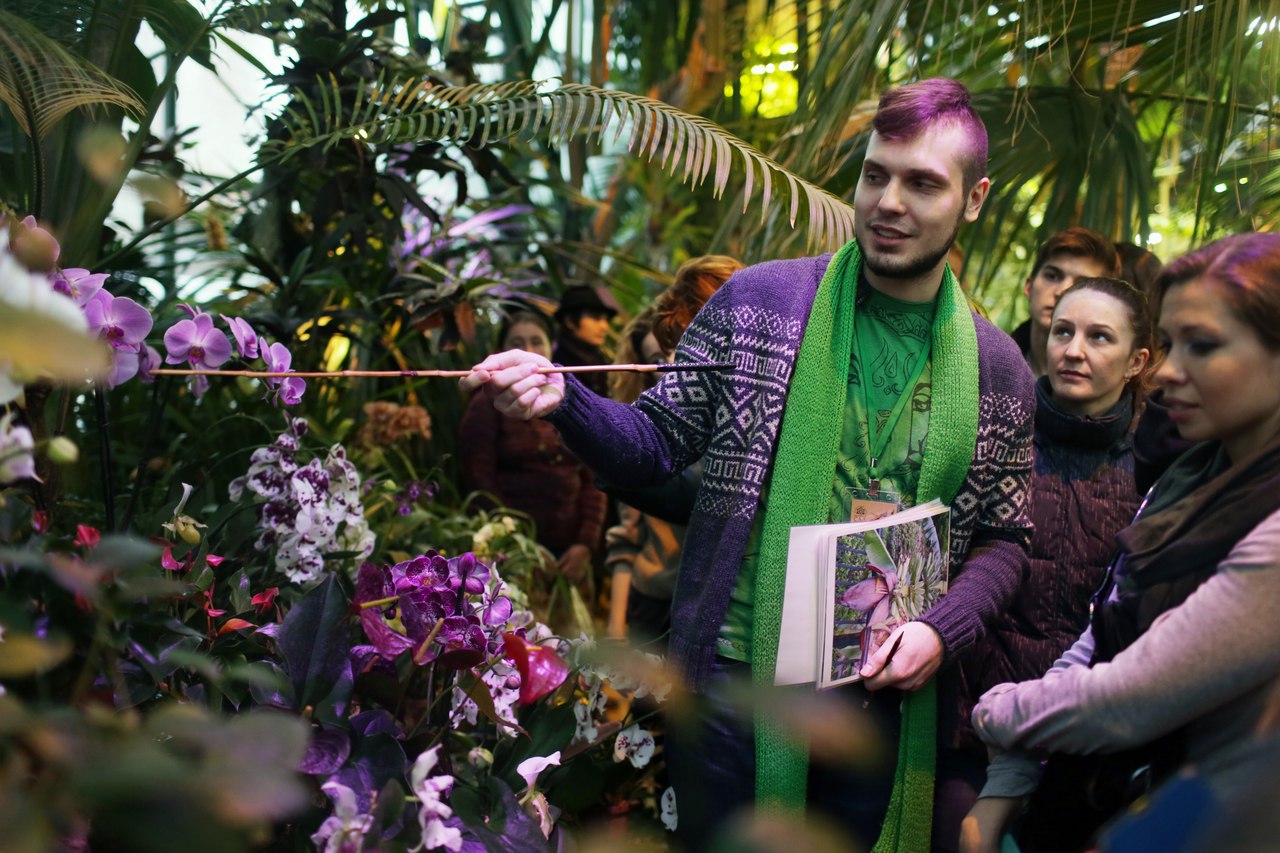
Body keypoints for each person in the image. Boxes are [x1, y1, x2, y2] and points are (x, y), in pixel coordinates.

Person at [463, 78, 1035, 850]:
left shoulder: (1000, 368)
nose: (889, 202)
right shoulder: (756, 305)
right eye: (876, 175)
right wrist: (561, 399)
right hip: (736, 674)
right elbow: (653, 442)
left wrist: (943, 628)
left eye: (922, 183)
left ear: (974, 199)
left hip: (881, 689)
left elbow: (1007, 538)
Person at [962, 232, 1280, 853]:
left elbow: (1130, 696)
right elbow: (1103, 630)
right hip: (1095, 786)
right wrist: (1009, 777)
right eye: (1172, 342)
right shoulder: (1188, 476)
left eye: (1204, 345)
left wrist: (997, 713)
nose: (1168, 371)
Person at [938, 277, 1154, 842]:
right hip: (974, 725)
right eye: (1063, 331)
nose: (1073, 350)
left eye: (1099, 337)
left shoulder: (1159, 461)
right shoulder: (994, 432)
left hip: (1089, 733)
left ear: (1137, 360)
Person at [604, 255, 743, 646]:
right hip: (657, 603)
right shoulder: (652, 431)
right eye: (663, 356)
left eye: (687, 348)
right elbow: (627, 539)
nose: (671, 366)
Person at [458, 308, 606, 585]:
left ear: (552, 347)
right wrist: (520, 548)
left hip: (570, 557)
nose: (527, 350)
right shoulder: (487, 404)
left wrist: (585, 545)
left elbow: (593, 478)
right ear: (502, 351)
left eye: (537, 341)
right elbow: (480, 481)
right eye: (516, 343)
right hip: (511, 558)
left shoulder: (570, 399)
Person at [1011, 227, 1121, 377]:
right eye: (1052, 276)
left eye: (1081, 285)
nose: (1062, 291)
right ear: (1029, 287)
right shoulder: (990, 360)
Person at [553, 285, 618, 397]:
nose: (604, 326)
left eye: (606, 319)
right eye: (596, 318)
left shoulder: (598, 359)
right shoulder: (558, 367)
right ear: (570, 321)